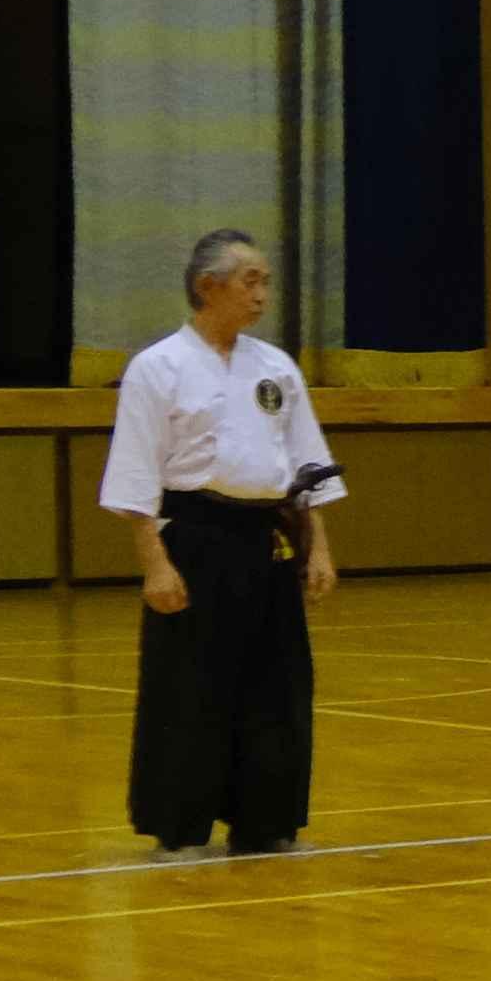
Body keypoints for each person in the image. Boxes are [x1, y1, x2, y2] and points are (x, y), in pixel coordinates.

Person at [96, 227, 341, 855]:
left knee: (278, 684)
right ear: (208, 287)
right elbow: (135, 476)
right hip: (196, 540)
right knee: (191, 687)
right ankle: (180, 826)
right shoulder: (158, 367)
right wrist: (155, 564)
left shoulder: (276, 367)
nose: (262, 294)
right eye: (249, 281)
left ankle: (268, 821)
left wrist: (318, 548)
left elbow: (306, 466)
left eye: (266, 281)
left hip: (268, 539)